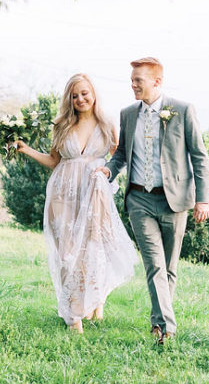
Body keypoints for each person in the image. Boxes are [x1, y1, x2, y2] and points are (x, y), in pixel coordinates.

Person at [95, 57, 209, 345]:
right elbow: (122, 153)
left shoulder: (182, 111)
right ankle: (168, 330)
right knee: (155, 264)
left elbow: (199, 156)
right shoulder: (127, 114)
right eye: (132, 79)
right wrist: (109, 169)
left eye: (138, 80)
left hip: (174, 200)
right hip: (139, 199)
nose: (133, 85)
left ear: (157, 82)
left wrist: (203, 199)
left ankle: (157, 323)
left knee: (169, 267)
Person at [16, 73, 138, 334]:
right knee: (66, 254)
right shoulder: (61, 126)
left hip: (93, 195)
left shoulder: (107, 125)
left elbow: (118, 161)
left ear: (93, 94)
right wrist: (26, 150)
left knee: (92, 252)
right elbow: (53, 161)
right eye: (75, 95)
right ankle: (73, 316)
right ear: (69, 99)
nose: (80, 99)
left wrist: (107, 177)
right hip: (62, 194)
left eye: (85, 93)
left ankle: (95, 299)